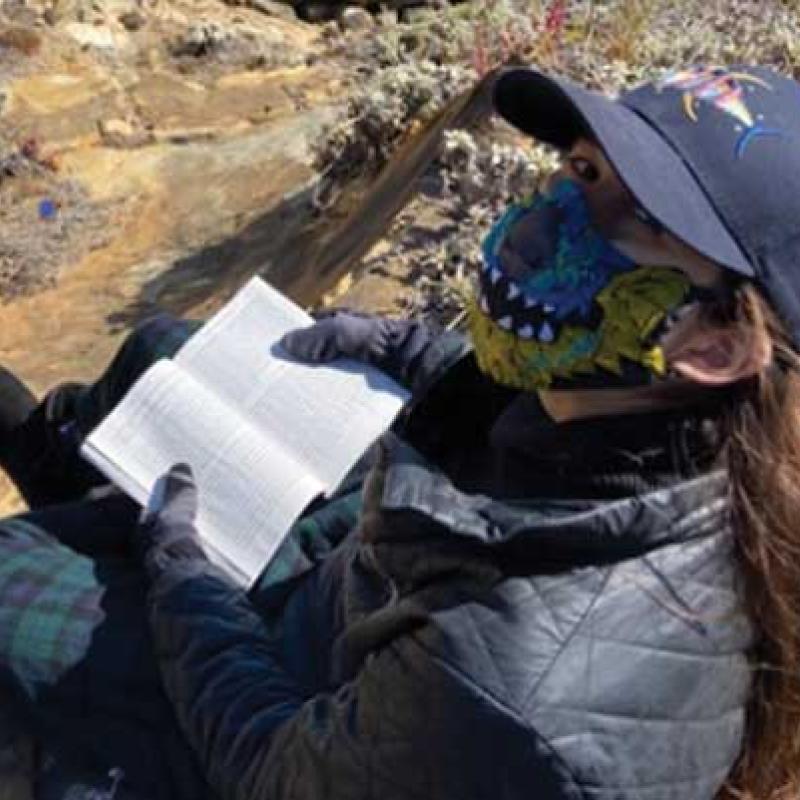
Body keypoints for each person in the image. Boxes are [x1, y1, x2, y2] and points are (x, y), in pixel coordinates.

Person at [1, 63, 800, 800]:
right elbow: (526, 382)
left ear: (721, 344)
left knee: (16, 574)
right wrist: (398, 347)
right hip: (371, 592)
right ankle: (73, 468)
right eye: (584, 168)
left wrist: (186, 578)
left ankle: (99, 519)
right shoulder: (663, 416)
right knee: (162, 350)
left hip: (299, 710)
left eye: (640, 221)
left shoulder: (520, 684)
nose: (541, 222)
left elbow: (276, 769)